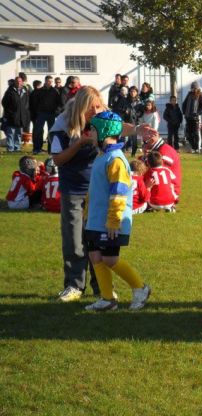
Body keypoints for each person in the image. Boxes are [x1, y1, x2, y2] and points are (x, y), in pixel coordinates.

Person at [49, 86, 141, 302]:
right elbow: (58, 159)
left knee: (96, 241)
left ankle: (102, 288)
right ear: (82, 108)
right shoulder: (62, 125)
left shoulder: (101, 120)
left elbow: (119, 127)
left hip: (97, 192)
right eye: (94, 108)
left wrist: (139, 130)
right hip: (73, 189)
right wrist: (80, 143)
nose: (98, 111)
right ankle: (74, 285)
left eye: (100, 106)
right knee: (74, 240)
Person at [83, 111, 151, 311]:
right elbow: (95, 189)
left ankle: (140, 288)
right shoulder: (102, 156)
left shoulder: (116, 159)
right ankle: (107, 299)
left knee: (110, 259)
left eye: (94, 130)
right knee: (95, 257)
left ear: (104, 132)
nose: (91, 134)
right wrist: (87, 212)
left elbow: (119, 192)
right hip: (95, 220)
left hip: (110, 221)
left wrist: (114, 221)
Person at [141, 128, 181, 198]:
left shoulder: (164, 152)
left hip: (166, 192)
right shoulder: (158, 150)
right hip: (163, 188)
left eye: (145, 142)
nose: (144, 145)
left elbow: (159, 175)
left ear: (154, 135)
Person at [30, 75, 61, 154]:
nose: (50, 83)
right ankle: (37, 149)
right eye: (49, 81)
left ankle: (51, 150)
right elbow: (34, 103)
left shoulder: (55, 91)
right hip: (41, 113)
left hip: (52, 114)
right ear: (45, 81)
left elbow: (59, 103)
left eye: (51, 81)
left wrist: (56, 111)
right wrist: (37, 112)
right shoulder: (39, 91)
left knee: (51, 131)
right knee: (38, 131)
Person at [2, 75, 30, 153]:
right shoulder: (10, 91)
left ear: (22, 82)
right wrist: (10, 112)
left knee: (18, 134)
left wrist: (25, 111)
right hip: (12, 116)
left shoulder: (25, 90)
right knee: (10, 133)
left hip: (21, 116)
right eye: (17, 81)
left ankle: (17, 148)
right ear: (15, 82)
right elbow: (4, 102)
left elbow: (27, 102)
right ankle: (10, 149)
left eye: (20, 81)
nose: (18, 83)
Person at [182, 82, 202, 153]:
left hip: (196, 118)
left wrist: (197, 113)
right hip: (188, 117)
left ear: (197, 88)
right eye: (192, 88)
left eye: (194, 88)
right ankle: (193, 147)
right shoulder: (189, 94)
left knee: (196, 133)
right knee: (189, 134)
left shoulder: (201, 95)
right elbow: (184, 104)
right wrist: (184, 112)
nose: (193, 89)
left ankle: (198, 148)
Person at [126, 86, 142, 156]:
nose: (132, 93)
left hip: (136, 121)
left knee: (135, 138)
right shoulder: (126, 100)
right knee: (127, 138)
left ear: (136, 93)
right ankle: (126, 150)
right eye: (131, 91)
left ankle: (133, 153)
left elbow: (142, 111)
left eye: (134, 91)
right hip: (128, 121)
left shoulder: (139, 102)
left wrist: (138, 114)